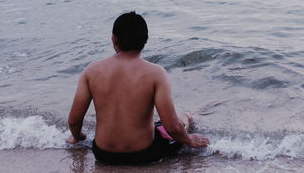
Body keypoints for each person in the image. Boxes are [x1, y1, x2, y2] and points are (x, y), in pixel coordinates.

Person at [67, 11, 209, 165]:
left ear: (114, 39)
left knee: (159, 125)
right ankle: (189, 115)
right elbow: (173, 127)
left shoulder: (91, 71)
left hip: (103, 154)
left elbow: (74, 120)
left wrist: (78, 137)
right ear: (145, 40)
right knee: (182, 118)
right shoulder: (156, 73)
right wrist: (189, 140)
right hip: (144, 154)